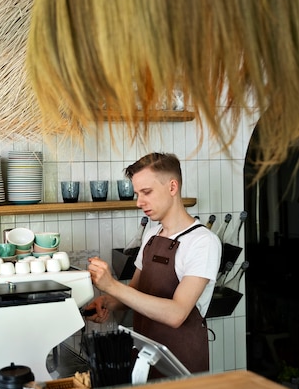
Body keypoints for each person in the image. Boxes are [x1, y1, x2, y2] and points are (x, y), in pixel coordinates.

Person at [86, 152, 222, 375]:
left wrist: (111, 285)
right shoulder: (152, 234)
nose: (139, 202)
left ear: (172, 187)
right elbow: (135, 293)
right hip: (145, 358)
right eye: (137, 194)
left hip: (181, 365)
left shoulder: (203, 242)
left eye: (146, 192)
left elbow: (177, 314)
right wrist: (108, 302)